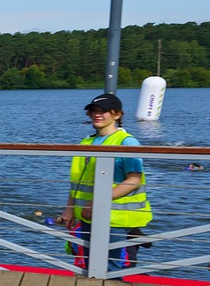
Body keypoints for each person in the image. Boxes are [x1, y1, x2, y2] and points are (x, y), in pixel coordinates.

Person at [63, 92, 150, 272]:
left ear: (117, 115)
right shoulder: (86, 142)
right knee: (89, 265)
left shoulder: (127, 142)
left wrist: (97, 201)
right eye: (93, 111)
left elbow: (134, 179)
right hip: (87, 215)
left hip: (116, 218)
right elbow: (77, 182)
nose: (97, 114)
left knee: (111, 268)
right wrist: (69, 209)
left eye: (103, 111)